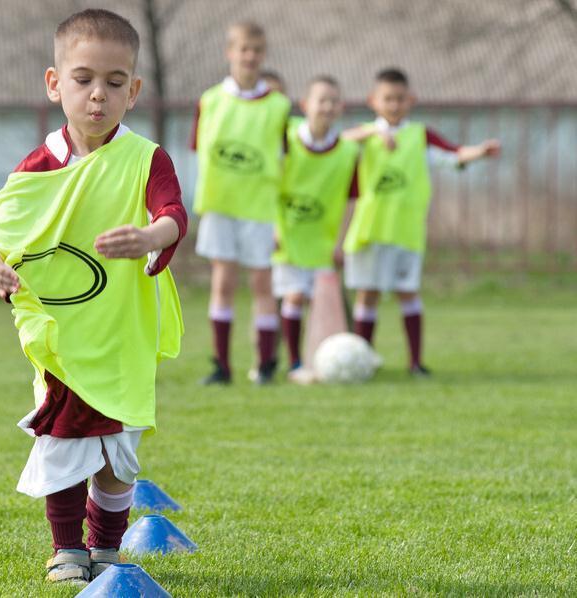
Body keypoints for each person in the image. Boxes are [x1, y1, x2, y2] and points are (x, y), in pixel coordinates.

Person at [0, 9, 186, 586]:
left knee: (118, 455)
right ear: (54, 83)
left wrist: (148, 236)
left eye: (115, 83)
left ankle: (107, 550)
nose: (98, 96)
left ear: (134, 91)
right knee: (66, 448)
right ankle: (66, 549)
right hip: (63, 338)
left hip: (123, 334)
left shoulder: (146, 158)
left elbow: (173, 214)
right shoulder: (38, 167)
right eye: (84, 79)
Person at [342, 67, 500, 376]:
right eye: (388, 99)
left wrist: (479, 152)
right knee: (368, 292)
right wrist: (375, 132)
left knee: (407, 292)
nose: (394, 105)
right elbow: (339, 140)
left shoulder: (419, 136)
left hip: (406, 231)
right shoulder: (364, 136)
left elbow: (453, 155)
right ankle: (364, 360)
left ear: (410, 100)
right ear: (373, 101)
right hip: (370, 230)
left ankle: (415, 362)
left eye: (400, 99)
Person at [191, 21, 291, 385]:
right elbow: (197, 151)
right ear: (229, 52)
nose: (250, 56)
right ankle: (222, 366)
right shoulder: (210, 100)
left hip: (260, 208)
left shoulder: (278, 105)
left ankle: (265, 364)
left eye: (257, 51)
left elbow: (285, 158)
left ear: (264, 55)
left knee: (263, 285)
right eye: (243, 49)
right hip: (220, 205)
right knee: (223, 284)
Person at [273, 75, 360, 374]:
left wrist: (341, 241)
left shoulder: (347, 151)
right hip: (288, 235)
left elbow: (352, 199)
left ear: (341, 107)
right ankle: (292, 362)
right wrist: (272, 226)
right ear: (305, 104)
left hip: (323, 242)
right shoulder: (286, 138)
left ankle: (323, 363)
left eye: (333, 101)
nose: (327, 106)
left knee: (324, 305)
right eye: (321, 100)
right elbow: (268, 183)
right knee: (293, 296)